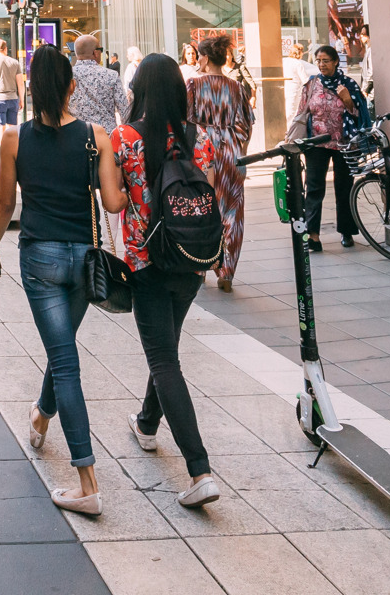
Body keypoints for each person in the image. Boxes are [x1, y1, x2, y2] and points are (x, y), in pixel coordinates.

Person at [0, 45, 126, 516]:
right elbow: (112, 203)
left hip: (40, 260)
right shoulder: (96, 135)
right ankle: (42, 415)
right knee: (62, 351)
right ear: (72, 85)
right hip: (84, 262)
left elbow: (6, 205)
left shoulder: (13, 139)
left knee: (63, 359)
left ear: (30, 86)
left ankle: (87, 482)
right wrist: (125, 176)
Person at [112, 54, 221, 508]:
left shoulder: (125, 139)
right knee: (167, 350)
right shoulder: (203, 140)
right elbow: (208, 197)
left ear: (138, 89)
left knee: (163, 360)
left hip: (146, 263)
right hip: (191, 260)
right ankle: (146, 425)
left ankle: (200, 471)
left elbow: (116, 202)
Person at [187, 36, 254, 292]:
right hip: (232, 152)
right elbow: (246, 125)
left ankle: (201, 265)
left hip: (203, 152)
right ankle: (226, 272)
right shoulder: (237, 86)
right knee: (232, 212)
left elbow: (187, 120)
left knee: (203, 208)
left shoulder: (193, 83)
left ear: (203, 57)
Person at [292, 45, 370, 252]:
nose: (321, 64)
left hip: (344, 143)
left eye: (326, 60)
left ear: (336, 61)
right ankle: (313, 236)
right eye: (318, 60)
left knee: (344, 188)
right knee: (314, 188)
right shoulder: (311, 84)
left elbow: (359, 114)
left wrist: (346, 98)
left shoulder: (348, 84)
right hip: (316, 143)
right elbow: (302, 112)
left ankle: (346, 232)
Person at [68, 33, 130, 133]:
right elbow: (124, 110)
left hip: (76, 134)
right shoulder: (111, 75)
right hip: (107, 135)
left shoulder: (67, 75)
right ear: (95, 53)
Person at [0, 39, 25, 132]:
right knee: (12, 128)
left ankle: (1, 146)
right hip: (13, 98)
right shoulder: (15, 62)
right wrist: (21, 100)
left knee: (0, 127)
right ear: (6, 49)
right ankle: (13, 147)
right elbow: (21, 83)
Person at [282, 42, 318, 127]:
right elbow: (305, 79)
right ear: (300, 53)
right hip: (294, 89)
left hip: (284, 88)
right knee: (293, 111)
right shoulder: (298, 63)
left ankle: (285, 129)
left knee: (286, 110)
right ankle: (290, 131)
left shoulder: (283, 61)